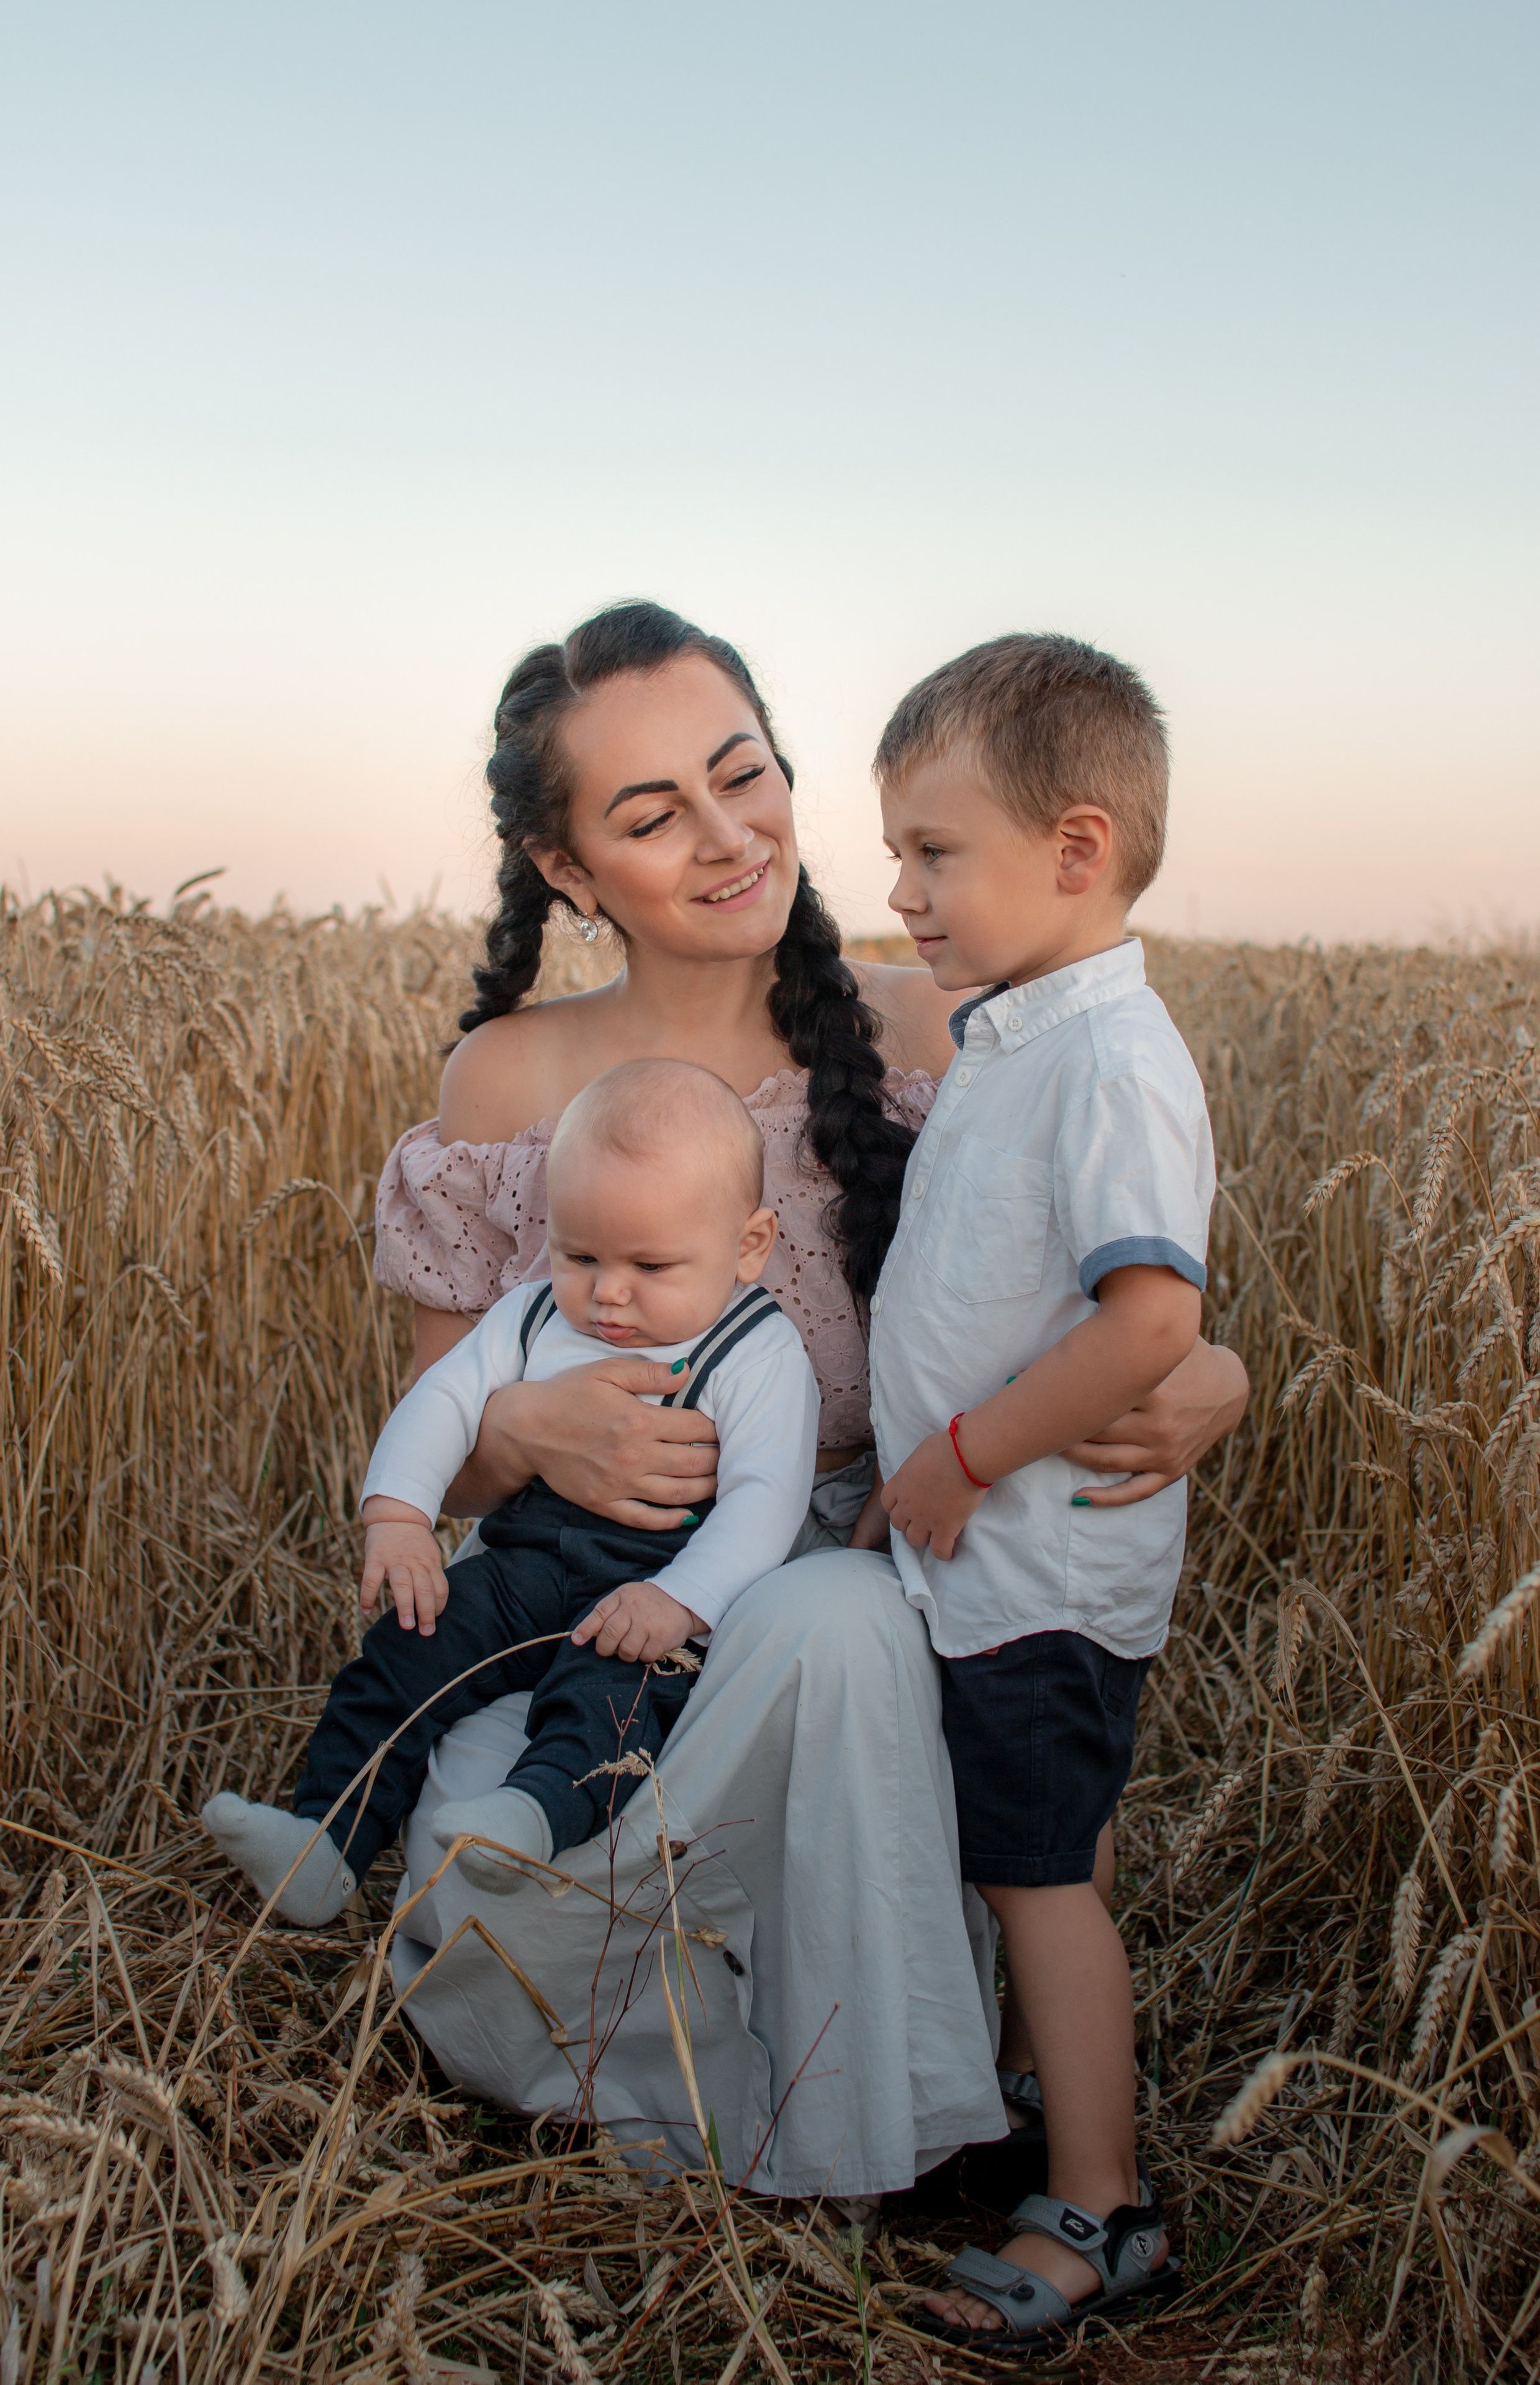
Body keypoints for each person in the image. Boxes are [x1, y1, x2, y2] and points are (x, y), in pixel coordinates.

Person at [371, 599, 1249, 2198]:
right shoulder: (507, 1079)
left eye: (741, 774)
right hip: (595, 1603)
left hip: (857, 1584)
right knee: (477, 1872)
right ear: (568, 869)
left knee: (832, 1625)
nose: (728, 838)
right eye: (651, 816)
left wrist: (1214, 1373)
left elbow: (1100, 1282)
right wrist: (525, 1430)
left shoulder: (942, 1018)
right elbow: (441, 1458)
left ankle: (895, 2113)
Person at [866, 634, 1203, 2351]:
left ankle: (1099, 2206)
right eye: (895, 854)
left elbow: (1150, 1322)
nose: (900, 890)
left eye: (934, 851)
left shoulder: (1110, 1061)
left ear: (1076, 850)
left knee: (1039, 1878)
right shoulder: (1018, 1037)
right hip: (996, 1559)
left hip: (1039, 1567)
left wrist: (961, 1457)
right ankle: (1025, 2106)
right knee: (1027, 1853)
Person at [201, 1061, 817, 1920]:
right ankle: (325, 1843)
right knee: (405, 1656)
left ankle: (527, 1819)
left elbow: (766, 1501)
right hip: (520, 1567)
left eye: (651, 1264)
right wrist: (400, 1516)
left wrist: (682, 1601)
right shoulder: (529, 1316)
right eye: (580, 1255)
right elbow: (442, 1403)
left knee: (608, 1708)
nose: (608, 1292)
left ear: (748, 1245)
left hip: (646, 1589)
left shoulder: (758, 1351)